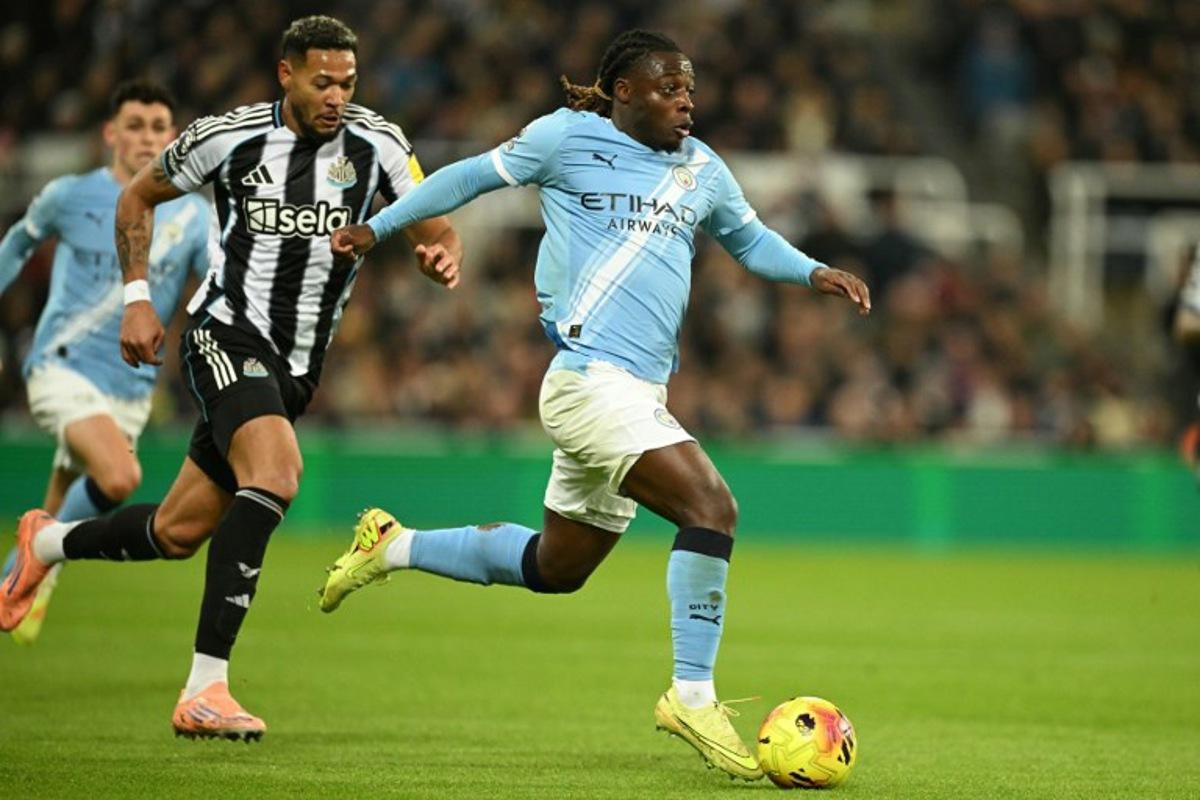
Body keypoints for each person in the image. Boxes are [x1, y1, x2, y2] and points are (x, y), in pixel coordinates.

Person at [317, 30, 870, 781]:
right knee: (712, 509)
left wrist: (815, 272)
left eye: (691, 90)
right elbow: (467, 179)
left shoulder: (702, 169)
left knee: (557, 567)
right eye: (669, 89)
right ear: (623, 91)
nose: (686, 102)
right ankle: (692, 695)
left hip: (637, 389)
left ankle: (394, 544)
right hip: (587, 381)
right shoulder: (563, 138)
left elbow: (750, 239)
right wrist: (379, 227)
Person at [0, 15, 461, 741]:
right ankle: (205, 688)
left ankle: (46, 544)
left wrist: (439, 257)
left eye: (347, 81)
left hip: (299, 367)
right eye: (322, 82)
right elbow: (135, 199)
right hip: (225, 334)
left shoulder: (380, 143)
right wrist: (138, 299)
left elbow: (435, 226)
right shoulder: (229, 135)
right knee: (276, 473)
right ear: (287, 75)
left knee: (177, 530)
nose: (337, 95)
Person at [0, 80, 209, 645]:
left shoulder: (193, 216)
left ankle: (14, 586)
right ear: (111, 133)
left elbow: (217, 285)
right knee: (118, 477)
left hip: (131, 388)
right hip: (60, 366)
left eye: (158, 127)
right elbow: (18, 243)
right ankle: (36, 574)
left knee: (63, 487)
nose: (146, 137)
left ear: (174, 137)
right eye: (135, 125)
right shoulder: (70, 195)